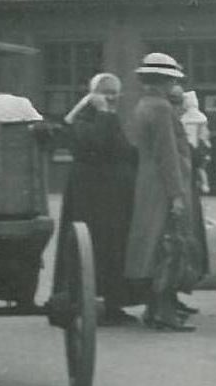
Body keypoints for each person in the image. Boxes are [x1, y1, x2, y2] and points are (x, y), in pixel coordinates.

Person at [124, 53, 200, 331]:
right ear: (165, 80)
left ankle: (155, 309)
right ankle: (164, 313)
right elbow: (167, 154)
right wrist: (177, 195)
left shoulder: (144, 105)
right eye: (171, 80)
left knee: (156, 245)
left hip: (148, 183)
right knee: (171, 246)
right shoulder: (162, 108)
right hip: (163, 185)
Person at [58, 73, 138, 325]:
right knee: (95, 248)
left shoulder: (108, 118)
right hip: (91, 198)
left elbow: (122, 150)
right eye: (106, 92)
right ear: (93, 94)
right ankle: (87, 303)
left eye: (116, 92)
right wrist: (104, 112)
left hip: (111, 198)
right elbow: (97, 144)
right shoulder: (81, 120)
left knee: (114, 249)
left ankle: (114, 304)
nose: (112, 97)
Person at [168, 84, 211, 317]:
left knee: (185, 244)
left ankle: (174, 296)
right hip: (178, 190)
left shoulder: (179, 123)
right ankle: (167, 298)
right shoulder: (171, 123)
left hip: (187, 187)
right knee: (176, 244)